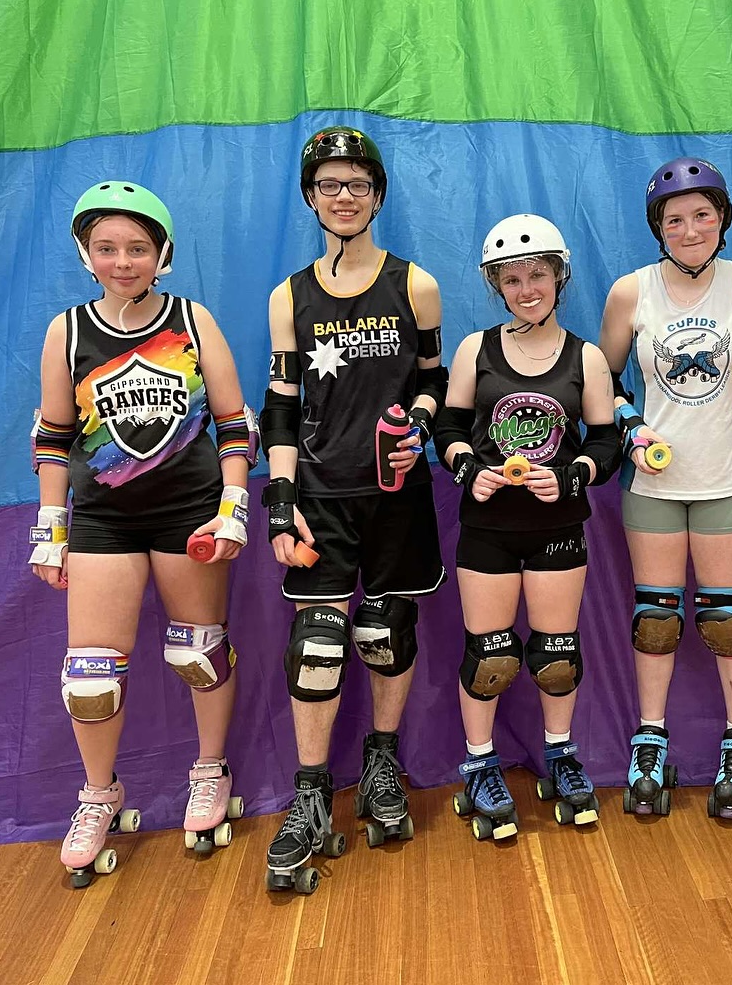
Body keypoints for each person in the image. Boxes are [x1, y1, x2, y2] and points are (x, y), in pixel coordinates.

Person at [29, 181, 256, 885]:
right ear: (86, 255)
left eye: (137, 248)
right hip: (104, 517)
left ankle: (209, 771)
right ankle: (99, 794)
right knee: (89, 677)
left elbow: (234, 422)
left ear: (162, 255)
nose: (122, 261)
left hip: (188, 510)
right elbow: (54, 434)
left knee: (199, 653)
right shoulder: (67, 331)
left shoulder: (192, 319)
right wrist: (50, 524)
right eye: (107, 248)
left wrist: (235, 505)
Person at [260, 127, 447, 893]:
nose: (344, 197)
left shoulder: (416, 285)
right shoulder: (289, 296)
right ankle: (310, 794)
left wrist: (423, 432)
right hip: (322, 498)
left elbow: (435, 380)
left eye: (358, 185)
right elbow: (280, 403)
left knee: (385, 631)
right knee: (318, 642)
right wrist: (280, 505)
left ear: (377, 195)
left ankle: (381, 763)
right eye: (330, 185)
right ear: (311, 197)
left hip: (397, 495)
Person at [434, 214, 621, 840]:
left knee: (556, 655)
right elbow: (451, 430)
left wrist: (571, 477)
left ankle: (561, 756)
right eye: (510, 279)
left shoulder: (585, 357)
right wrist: (469, 472)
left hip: (558, 524)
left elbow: (605, 441)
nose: (525, 288)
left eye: (537, 274)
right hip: (488, 524)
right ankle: (481, 764)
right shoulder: (475, 350)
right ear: (497, 286)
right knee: (489, 656)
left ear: (559, 276)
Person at [597, 157, 732, 821]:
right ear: (658, 228)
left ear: (722, 220)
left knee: (726, 619)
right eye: (675, 219)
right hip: (654, 483)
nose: (690, 229)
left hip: (726, 476)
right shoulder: (631, 292)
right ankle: (650, 741)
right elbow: (602, 381)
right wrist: (632, 423)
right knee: (657, 619)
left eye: (702, 215)